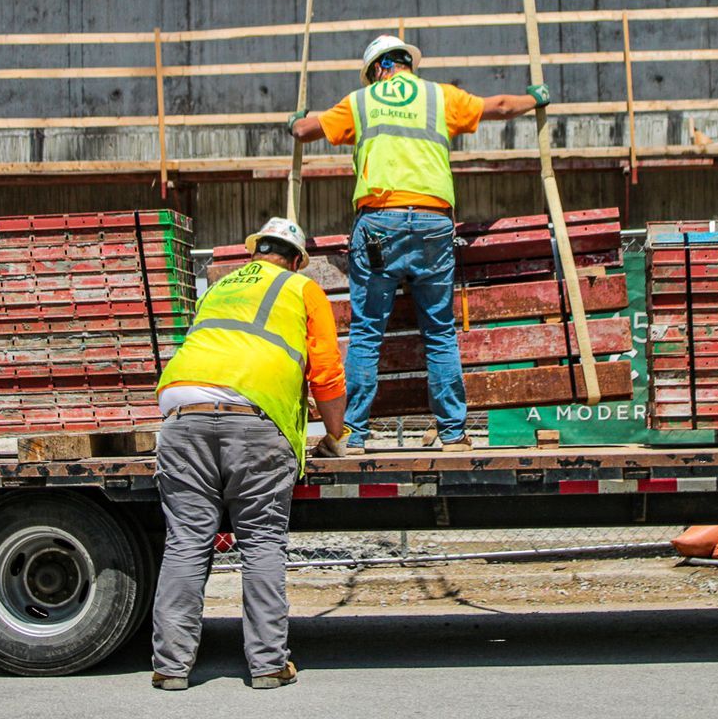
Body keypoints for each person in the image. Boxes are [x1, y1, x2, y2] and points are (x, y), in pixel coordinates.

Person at [287, 35, 549, 453]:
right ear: (408, 63)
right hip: (432, 222)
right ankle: (454, 434)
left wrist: (296, 121)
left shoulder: (363, 100)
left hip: (379, 223)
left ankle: (350, 435)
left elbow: (304, 131)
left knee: (368, 332)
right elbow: (499, 107)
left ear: (376, 68)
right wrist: (533, 99)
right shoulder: (437, 97)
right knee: (440, 332)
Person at [148, 216, 347, 692]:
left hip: (180, 415)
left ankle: (171, 668)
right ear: (298, 260)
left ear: (254, 251)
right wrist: (335, 434)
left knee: (186, 542)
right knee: (261, 543)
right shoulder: (301, 288)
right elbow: (325, 370)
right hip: (254, 420)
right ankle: (267, 665)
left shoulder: (216, 290)